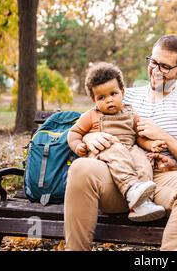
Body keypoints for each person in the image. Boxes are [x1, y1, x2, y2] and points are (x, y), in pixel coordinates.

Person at [64, 34, 177, 251]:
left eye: (164, 66)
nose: (155, 70)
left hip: (164, 181)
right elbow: (86, 124)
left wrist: (163, 136)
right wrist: (90, 136)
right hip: (120, 180)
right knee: (81, 167)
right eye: (153, 62)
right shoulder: (122, 95)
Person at [67, 62, 166, 222]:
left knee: (143, 163)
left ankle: (141, 204)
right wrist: (78, 145)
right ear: (94, 100)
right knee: (113, 145)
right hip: (105, 151)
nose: (109, 100)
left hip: (129, 149)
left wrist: (150, 145)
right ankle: (132, 188)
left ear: (122, 92)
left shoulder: (130, 111)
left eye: (113, 94)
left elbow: (139, 136)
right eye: (102, 97)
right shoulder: (91, 115)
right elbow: (73, 133)